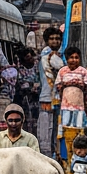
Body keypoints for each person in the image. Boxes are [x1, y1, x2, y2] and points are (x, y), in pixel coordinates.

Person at [56, 47, 87, 157]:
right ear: (67, 59)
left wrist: (77, 84)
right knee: (66, 134)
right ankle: (66, 157)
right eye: (71, 57)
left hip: (79, 108)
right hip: (65, 108)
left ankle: (79, 157)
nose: (74, 60)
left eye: (76, 57)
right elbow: (58, 87)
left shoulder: (83, 71)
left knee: (79, 133)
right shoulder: (62, 71)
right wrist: (67, 85)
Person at [36, 27, 62, 156]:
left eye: (57, 39)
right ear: (47, 41)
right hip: (47, 96)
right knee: (47, 130)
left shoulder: (57, 54)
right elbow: (61, 67)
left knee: (56, 130)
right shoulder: (48, 54)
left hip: (57, 97)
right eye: (52, 39)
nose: (55, 41)